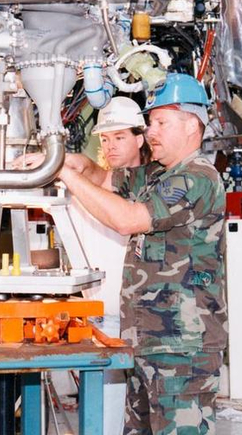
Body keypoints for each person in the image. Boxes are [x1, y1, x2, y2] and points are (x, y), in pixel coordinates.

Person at [45, 74, 226, 435]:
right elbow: (103, 177)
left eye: (161, 122)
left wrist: (65, 175)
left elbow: (128, 219)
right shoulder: (159, 175)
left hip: (181, 347)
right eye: (150, 122)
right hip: (148, 342)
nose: (151, 132)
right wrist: (71, 162)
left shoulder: (196, 178)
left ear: (192, 125)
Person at [71, 97, 151, 435]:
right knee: (102, 413)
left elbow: (122, 212)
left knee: (138, 411)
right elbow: (95, 174)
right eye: (105, 138)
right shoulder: (88, 186)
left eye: (119, 137)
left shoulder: (151, 187)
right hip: (96, 314)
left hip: (139, 317)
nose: (111, 145)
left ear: (140, 138)